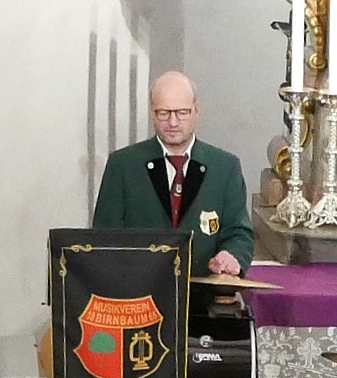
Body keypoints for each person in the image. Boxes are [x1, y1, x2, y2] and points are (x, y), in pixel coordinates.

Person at [91, 72, 253, 274]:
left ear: (196, 110)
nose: (173, 122)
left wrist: (231, 256)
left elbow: (239, 233)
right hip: (138, 297)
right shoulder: (123, 165)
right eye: (163, 113)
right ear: (151, 111)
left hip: (203, 298)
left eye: (182, 112)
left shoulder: (225, 167)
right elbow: (103, 239)